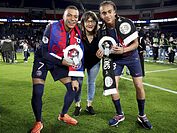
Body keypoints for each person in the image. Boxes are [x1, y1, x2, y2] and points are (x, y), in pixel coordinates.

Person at [96, 1, 152, 129]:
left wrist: (123, 50)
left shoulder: (126, 23)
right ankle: (119, 114)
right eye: (104, 13)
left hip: (132, 56)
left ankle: (142, 115)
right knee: (112, 86)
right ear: (101, 15)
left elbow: (136, 44)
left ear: (115, 12)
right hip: (115, 59)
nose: (107, 15)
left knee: (138, 85)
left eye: (110, 12)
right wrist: (100, 52)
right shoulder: (102, 31)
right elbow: (103, 48)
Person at [30, 5, 84, 133]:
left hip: (59, 62)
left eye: (75, 16)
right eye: (69, 15)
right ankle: (38, 122)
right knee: (37, 91)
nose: (72, 19)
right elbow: (44, 52)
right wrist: (62, 61)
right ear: (63, 16)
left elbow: (76, 55)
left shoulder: (78, 32)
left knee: (74, 88)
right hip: (43, 59)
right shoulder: (52, 27)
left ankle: (63, 115)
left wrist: (75, 77)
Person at [73, 11, 100, 116]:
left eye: (92, 21)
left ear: (96, 23)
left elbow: (106, 45)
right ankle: (77, 105)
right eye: (87, 21)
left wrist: (103, 52)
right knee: (78, 83)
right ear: (83, 23)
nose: (90, 24)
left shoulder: (100, 34)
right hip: (80, 63)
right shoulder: (78, 35)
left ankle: (89, 105)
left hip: (94, 62)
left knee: (91, 83)